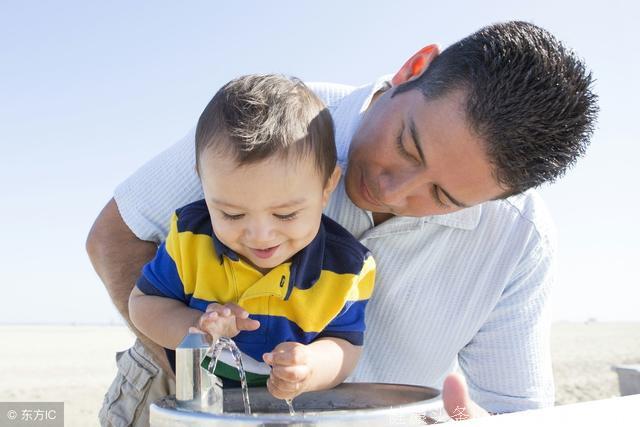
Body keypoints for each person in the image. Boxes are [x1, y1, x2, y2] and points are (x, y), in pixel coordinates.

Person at [87, 21, 598, 426]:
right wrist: (211, 384)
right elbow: (116, 236)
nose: (391, 191)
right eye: (405, 145)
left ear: (501, 197)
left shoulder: (519, 239)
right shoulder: (273, 122)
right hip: (175, 394)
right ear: (412, 68)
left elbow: (517, 412)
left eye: (442, 196)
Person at [128, 74, 375, 398]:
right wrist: (198, 326)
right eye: (232, 214)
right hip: (178, 389)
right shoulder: (191, 238)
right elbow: (143, 305)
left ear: (327, 186)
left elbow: (346, 345)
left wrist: (311, 367)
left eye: (286, 214)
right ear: (204, 183)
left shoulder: (347, 268)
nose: (260, 235)